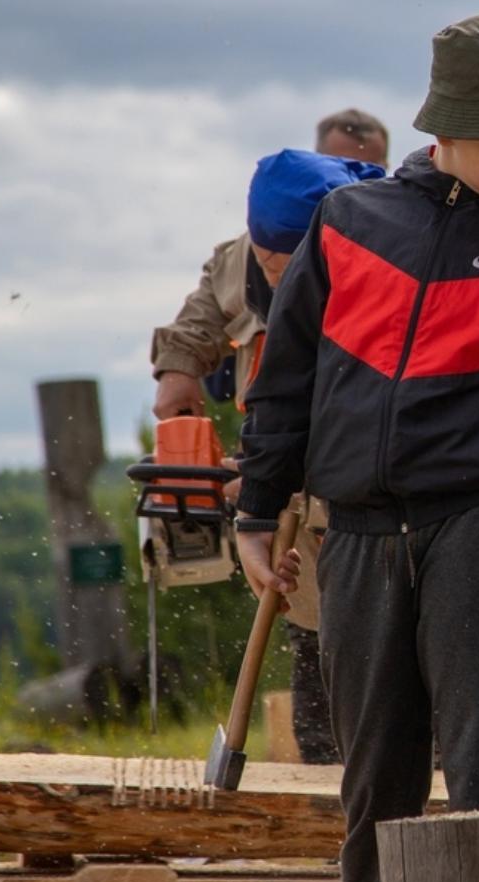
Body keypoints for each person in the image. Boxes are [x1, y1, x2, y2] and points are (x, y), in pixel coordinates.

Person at [233, 14, 479, 882]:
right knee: (376, 784)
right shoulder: (346, 224)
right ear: (446, 128)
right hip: (354, 538)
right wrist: (254, 512)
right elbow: (284, 385)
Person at [149, 108, 389, 765]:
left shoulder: (383, 265)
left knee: (380, 662)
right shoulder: (249, 251)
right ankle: (319, 805)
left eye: (288, 257)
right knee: (309, 643)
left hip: (366, 498)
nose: (277, 268)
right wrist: (176, 370)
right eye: (270, 257)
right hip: (284, 499)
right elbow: (206, 308)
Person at [151, 109, 390, 420]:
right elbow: (210, 299)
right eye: (334, 164)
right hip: (266, 453)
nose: (348, 184)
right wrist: (177, 368)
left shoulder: (397, 255)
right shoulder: (264, 240)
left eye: (367, 169)